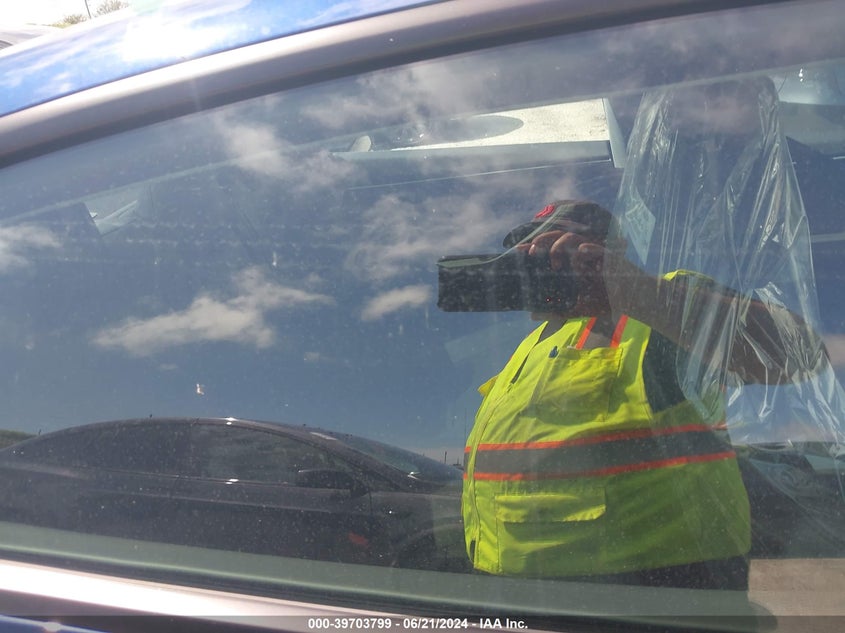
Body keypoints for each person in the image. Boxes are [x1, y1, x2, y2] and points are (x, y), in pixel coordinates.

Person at [460, 199, 823, 589]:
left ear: (611, 248)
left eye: (555, 244)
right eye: (528, 249)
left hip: (658, 587)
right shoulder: (533, 341)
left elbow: (796, 353)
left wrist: (631, 289)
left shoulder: (657, 299)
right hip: (510, 582)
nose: (536, 254)